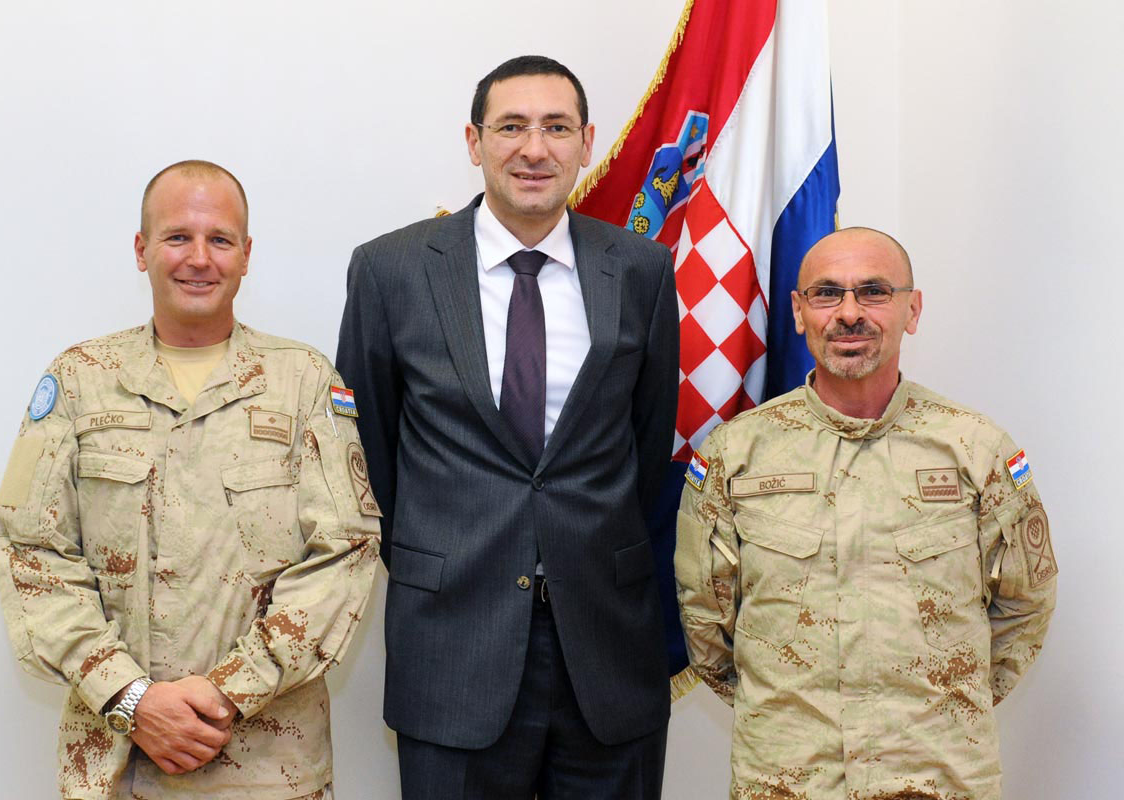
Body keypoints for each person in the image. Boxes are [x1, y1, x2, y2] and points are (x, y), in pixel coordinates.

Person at [336, 55, 679, 799]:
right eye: (511, 127)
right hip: (453, 642)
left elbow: (648, 444)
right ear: (474, 141)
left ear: (586, 142)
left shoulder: (642, 270)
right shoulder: (391, 270)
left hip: (608, 645)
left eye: (556, 127)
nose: (534, 149)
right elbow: (366, 456)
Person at [0, 160, 381, 800]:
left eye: (219, 239)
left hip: (268, 765)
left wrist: (228, 692)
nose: (199, 258)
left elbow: (346, 552)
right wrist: (131, 698)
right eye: (177, 237)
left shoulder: (305, 382)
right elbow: (31, 551)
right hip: (116, 761)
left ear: (246, 255)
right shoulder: (81, 379)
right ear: (141, 249)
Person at [675, 226, 1057, 799]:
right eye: (827, 293)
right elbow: (706, 620)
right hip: (788, 780)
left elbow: (1025, 607)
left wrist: (946, 700)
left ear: (912, 309)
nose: (849, 313)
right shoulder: (736, 454)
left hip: (938, 777)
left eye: (874, 291)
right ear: (798, 312)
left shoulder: (976, 450)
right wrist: (786, 709)